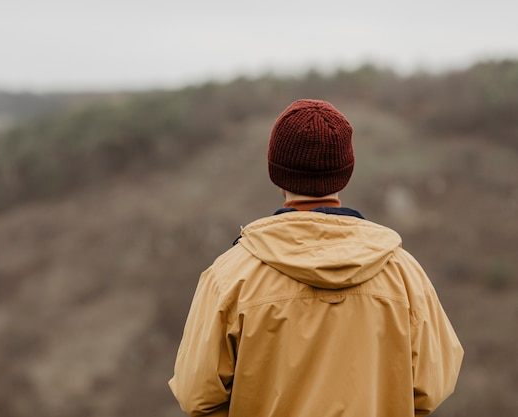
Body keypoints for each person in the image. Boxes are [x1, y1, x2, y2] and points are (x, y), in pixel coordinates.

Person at [168, 99, 463, 417]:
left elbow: (197, 397)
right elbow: (431, 388)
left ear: (276, 173)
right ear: (345, 172)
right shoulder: (406, 275)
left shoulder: (229, 277)